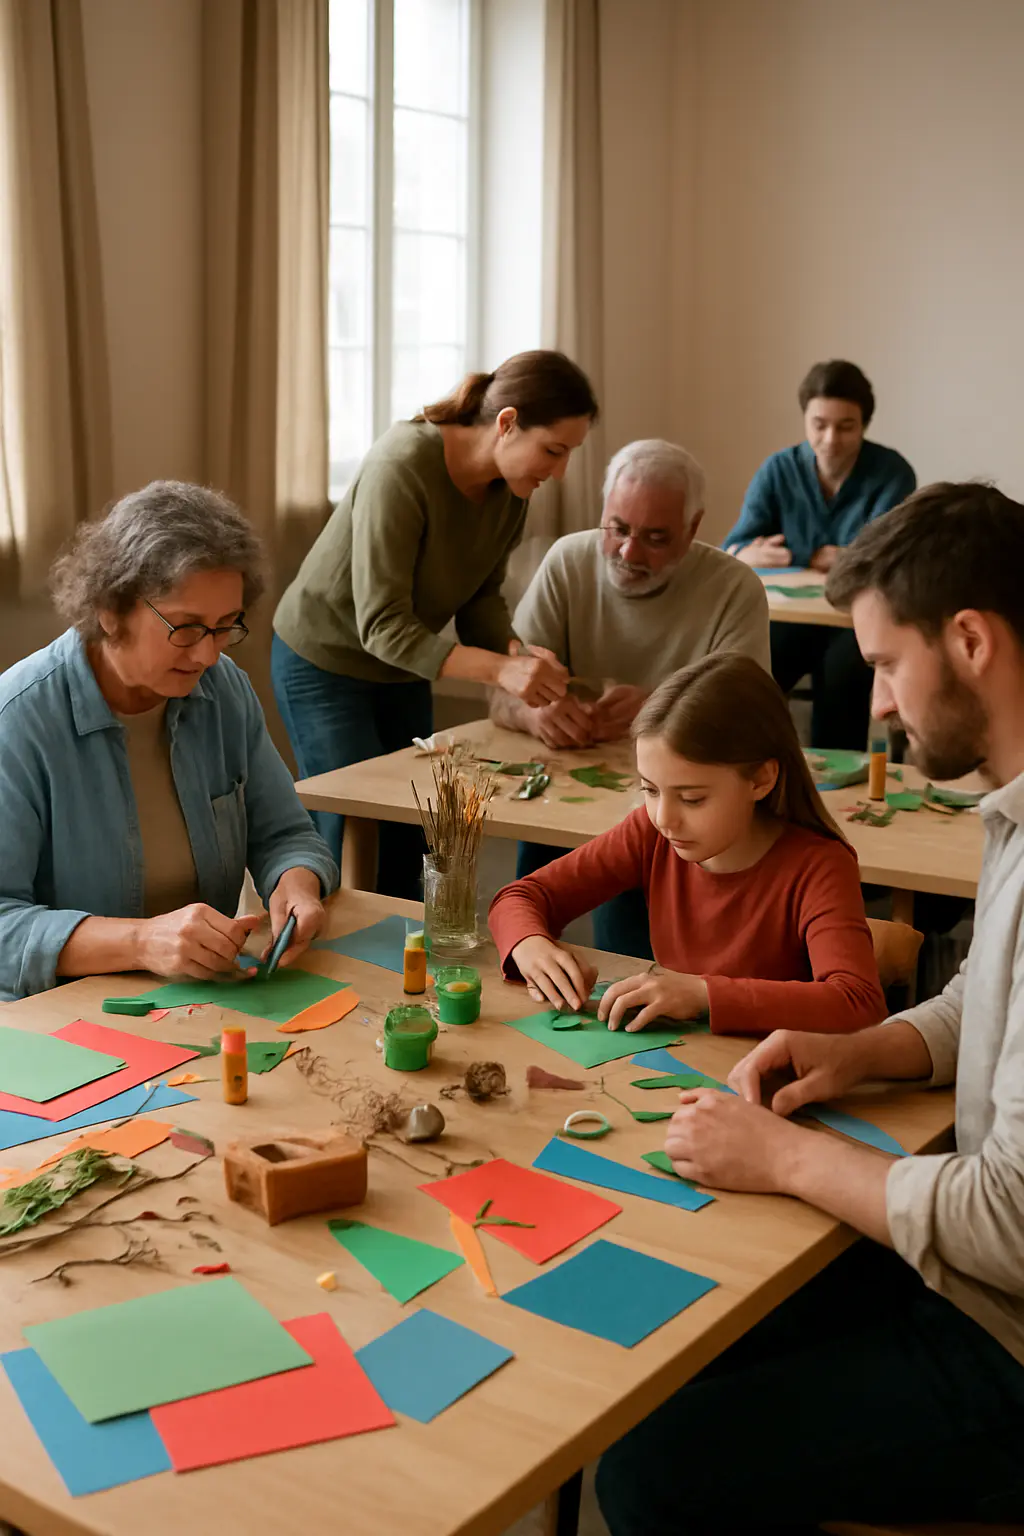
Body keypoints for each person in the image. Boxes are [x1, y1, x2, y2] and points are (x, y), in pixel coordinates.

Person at [596, 481, 1024, 1535]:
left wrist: (785, 1158)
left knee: (651, 1474)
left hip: (1003, 1337)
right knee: (662, 1336)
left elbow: (1007, 1223)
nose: (873, 703)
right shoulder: (1010, 810)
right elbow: (976, 998)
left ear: (969, 640)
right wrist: (865, 1049)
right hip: (967, 1281)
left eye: (885, 664)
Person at [272, 350, 598, 898]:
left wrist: (518, 657)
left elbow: (480, 601)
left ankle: (403, 947)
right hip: (325, 661)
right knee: (353, 827)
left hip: (401, 666)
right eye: (553, 451)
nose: (560, 472)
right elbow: (382, 626)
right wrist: (502, 672)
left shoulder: (510, 490)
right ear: (507, 423)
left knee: (416, 825)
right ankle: (324, 940)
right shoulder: (403, 465)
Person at [0, 481, 339, 1004]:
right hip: (60, 1015)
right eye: (186, 627)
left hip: (201, 1002)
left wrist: (297, 884)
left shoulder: (224, 691)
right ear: (110, 610)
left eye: (224, 626)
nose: (208, 655)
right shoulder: (19, 721)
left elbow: (285, 833)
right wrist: (141, 943)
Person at [488, 653, 885, 1038]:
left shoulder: (819, 865)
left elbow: (858, 1003)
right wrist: (530, 945)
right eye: (650, 790)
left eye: (692, 798)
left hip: (765, 1069)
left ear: (761, 779)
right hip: (679, 1058)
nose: (665, 818)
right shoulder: (650, 832)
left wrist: (703, 994)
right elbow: (521, 897)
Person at [491, 439, 770, 959]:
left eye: (655, 538)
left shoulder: (735, 588)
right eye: (617, 529)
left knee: (631, 946)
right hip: (564, 787)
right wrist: (533, 714)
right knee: (528, 909)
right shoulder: (568, 562)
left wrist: (662, 711)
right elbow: (500, 691)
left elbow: (752, 724)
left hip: (670, 803)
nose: (628, 553)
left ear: (692, 528)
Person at [724, 359, 916, 749]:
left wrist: (790, 553)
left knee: (844, 675)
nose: (830, 439)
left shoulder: (892, 473)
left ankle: (837, 778)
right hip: (790, 616)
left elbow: (883, 561)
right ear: (805, 420)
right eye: (819, 424)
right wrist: (813, 555)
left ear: (864, 425)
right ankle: (754, 762)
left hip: (855, 619)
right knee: (748, 670)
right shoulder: (778, 469)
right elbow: (735, 549)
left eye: (845, 426)